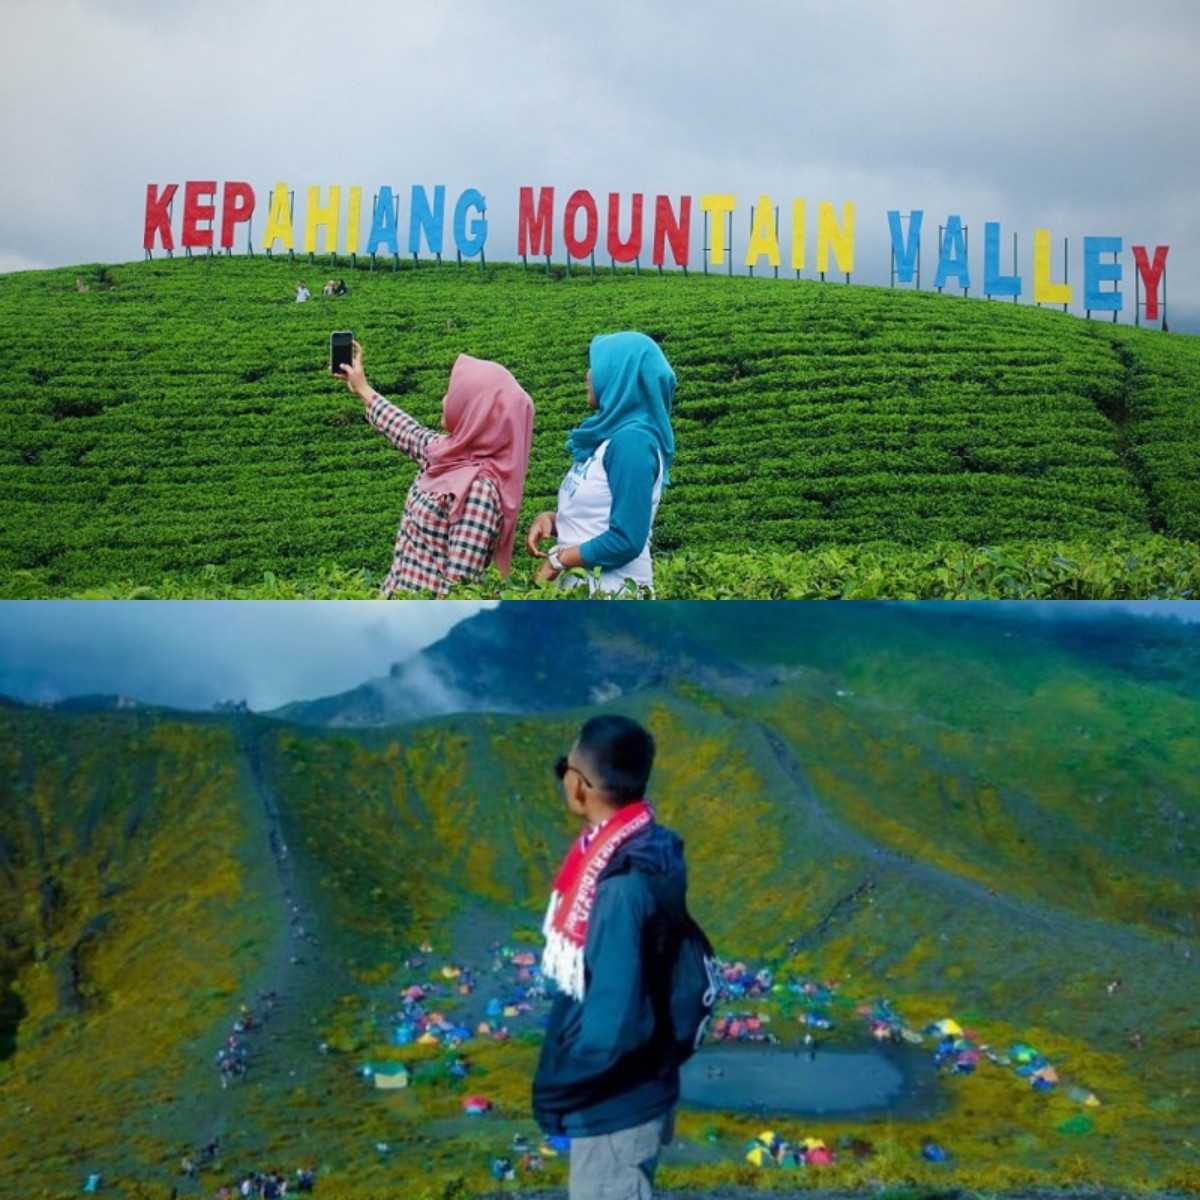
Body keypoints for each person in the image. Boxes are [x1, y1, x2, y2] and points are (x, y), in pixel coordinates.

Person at [533, 714, 687, 1200]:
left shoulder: (619, 886)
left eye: (565, 769)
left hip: (615, 1103)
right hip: (636, 1089)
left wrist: (558, 1089)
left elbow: (616, 1021)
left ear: (579, 787)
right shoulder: (648, 845)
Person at [336, 340, 534, 597]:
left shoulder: (478, 492)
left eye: (454, 395)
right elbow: (409, 433)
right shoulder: (449, 452)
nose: (444, 399)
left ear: (474, 411)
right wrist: (362, 388)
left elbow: (460, 591)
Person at [526, 331, 675, 594]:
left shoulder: (633, 443)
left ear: (622, 377)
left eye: (598, 366)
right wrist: (554, 520)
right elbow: (598, 519)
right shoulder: (608, 441)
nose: (589, 374)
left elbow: (626, 540)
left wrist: (556, 561)